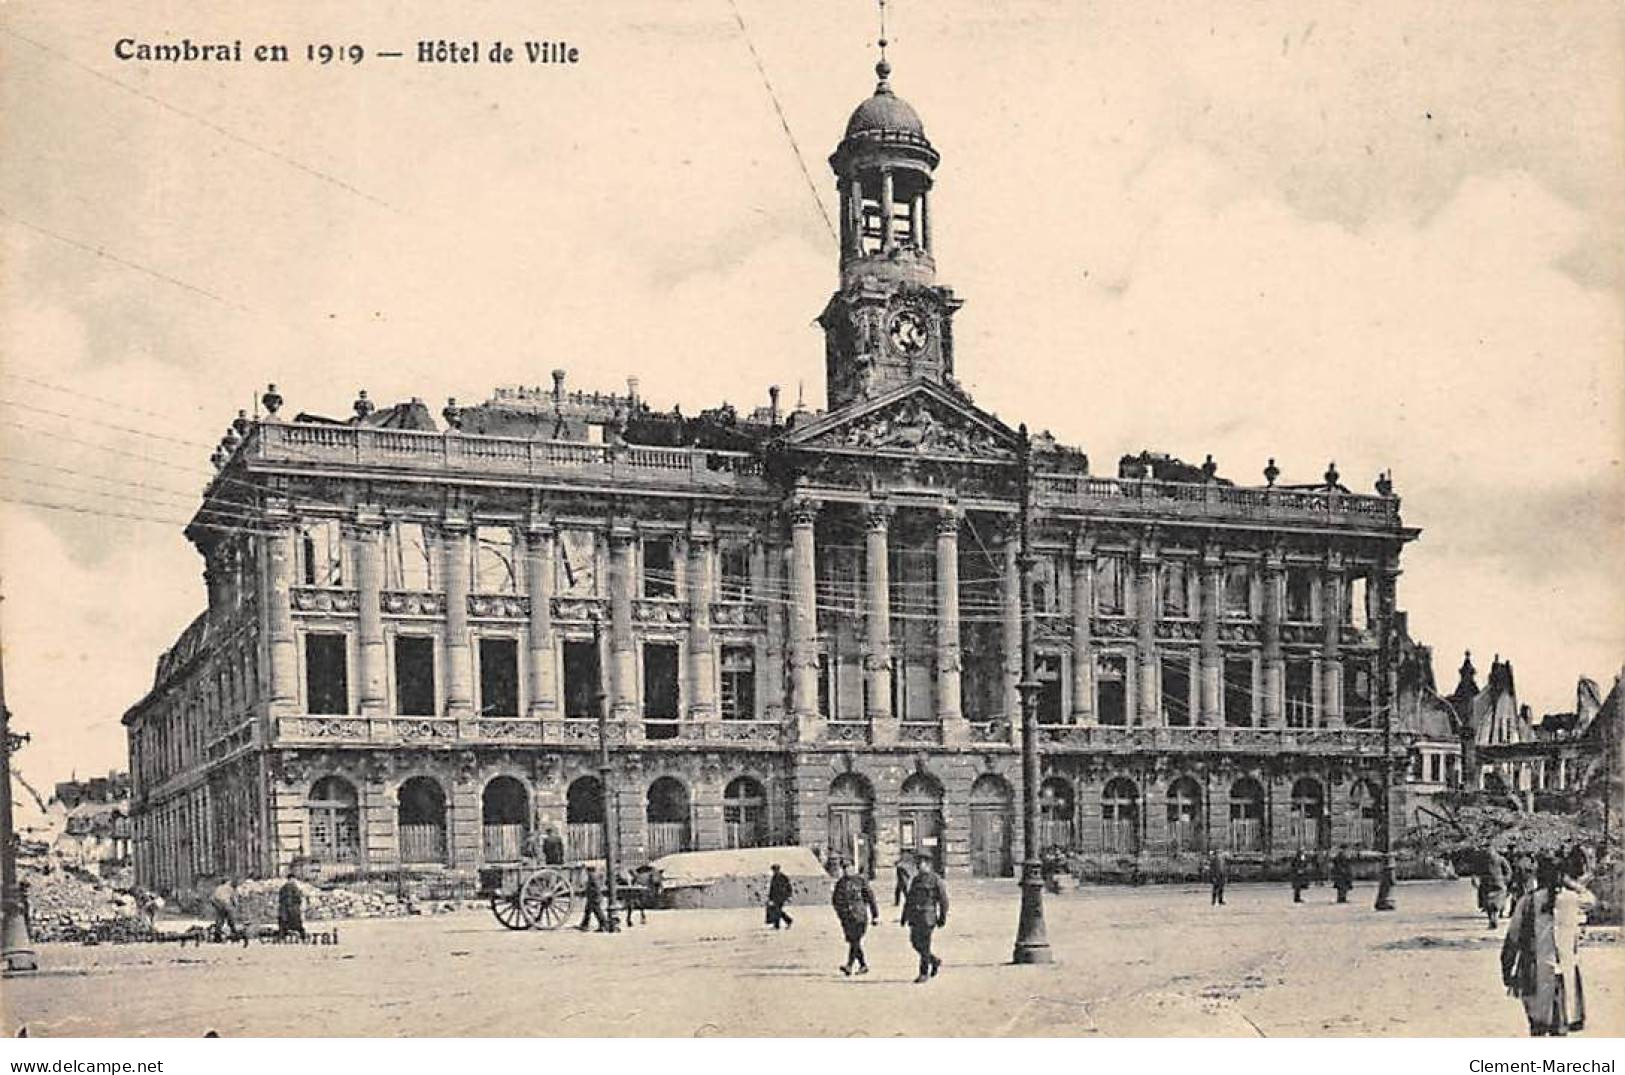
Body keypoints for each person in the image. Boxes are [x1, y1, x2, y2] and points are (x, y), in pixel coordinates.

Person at [1501, 857, 1596, 1036]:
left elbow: (1512, 939)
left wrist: (1507, 972)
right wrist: (1570, 882)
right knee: (1560, 1029)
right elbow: (1591, 900)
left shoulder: (1527, 901)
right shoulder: (1572, 899)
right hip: (1564, 973)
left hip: (1533, 973)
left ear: (1539, 875)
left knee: (1537, 1027)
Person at [900, 858, 949, 983]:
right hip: (915, 917)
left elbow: (943, 901)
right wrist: (904, 917)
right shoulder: (916, 880)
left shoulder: (936, 880)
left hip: (928, 916)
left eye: (920, 865)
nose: (918, 867)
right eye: (917, 865)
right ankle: (934, 960)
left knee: (925, 945)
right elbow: (909, 899)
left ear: (928, 865)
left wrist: (942, 918)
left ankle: (923, 973)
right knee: (915, 943)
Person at [831, 859, 879, 976]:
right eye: (844, 868)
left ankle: (849, 965)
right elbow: (835, 900)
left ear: (853, 867)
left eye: (849, 867)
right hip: (847, 917)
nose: (847, 870)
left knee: (855, 940)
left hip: (860, 916)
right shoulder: (840, 883)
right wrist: (840, 914)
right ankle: (863, 965)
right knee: (854, 941)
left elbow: (870, 898)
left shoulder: (860, 881)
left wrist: (875, 915)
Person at [1480, 846, 1511, 929]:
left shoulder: (1500, 859)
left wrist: (1505, 880)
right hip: (1490, 884)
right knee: (1490, 904)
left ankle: (1493, 919)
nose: (1489, 854)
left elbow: (1508, 872)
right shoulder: (1486, 861)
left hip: (1495, 884)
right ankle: (1492, 920)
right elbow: (1480, 871)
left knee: (1493, 904)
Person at [209, 877, 243, 943]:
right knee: (231, 921)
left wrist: (215, 905)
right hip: (226, 905)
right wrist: (236, 905)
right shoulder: (229, 888)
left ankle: (217, 937)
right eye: (229, 881)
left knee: (220, 921)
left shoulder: (218, 888)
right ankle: (235, 935)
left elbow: (213, 898)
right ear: (227, 882)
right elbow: (233, 898)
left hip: (218, 905)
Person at [577, 868, 611, 932]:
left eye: (586, 870)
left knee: (597, 912)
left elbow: (595, 887)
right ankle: (585, 925)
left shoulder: (592, 876)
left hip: (594, 897)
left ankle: (604, 925)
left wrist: (591, 893)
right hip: (592, 897)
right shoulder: (592, 876)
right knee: (588, 911)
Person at [277, 873, 307, 941]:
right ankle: (303, 937)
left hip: (284, 910)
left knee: (283, 924)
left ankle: (281, 938)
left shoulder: (283, 888)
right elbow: (298, 898)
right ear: (292, 879)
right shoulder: (294, 888)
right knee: (297, 925)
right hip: (293, 910)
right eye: (293, 879)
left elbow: (280, 899)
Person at [766, 863, 794, 929]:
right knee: (777, 911)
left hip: (782, 897)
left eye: (775, 870)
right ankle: (778, 925)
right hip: (775, 897)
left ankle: (788, 921)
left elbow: (789, 886)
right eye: (774, 870)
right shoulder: (774, 877)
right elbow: (772, 889)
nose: (774, 871)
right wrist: (770, 898)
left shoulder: (783, 877)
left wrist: (788, 895)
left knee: (777, 910)